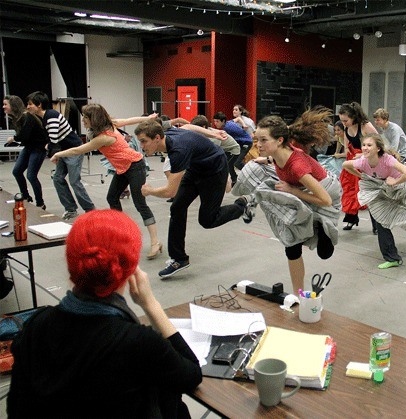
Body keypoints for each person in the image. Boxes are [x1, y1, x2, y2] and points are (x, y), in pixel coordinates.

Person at [7, 209, 202, 418]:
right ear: (131, 268)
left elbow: (16, 407)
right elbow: (191, 374)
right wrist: (150, 303)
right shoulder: (139, 342)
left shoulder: (36, 326)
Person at [232, 107, 340, 293]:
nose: (258, 144)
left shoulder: (297, 166)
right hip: (300, 185)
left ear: (279, 140)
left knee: (324, 253)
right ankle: (298, 294)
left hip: (326, 191)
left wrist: (292, 190)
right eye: (257, 139)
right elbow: (280, 138)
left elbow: (326, 200)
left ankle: (321, 226)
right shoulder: (280, 145)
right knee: (291, 246)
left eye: (263, 140)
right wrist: (266, 161)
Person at [135, 120, 252, 278]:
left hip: (214, 171)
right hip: (196, 169)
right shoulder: (169, 134)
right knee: (177, 207)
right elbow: (189, 127)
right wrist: (213, 133)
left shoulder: (177, 151)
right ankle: (179, 259)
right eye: (140, 141)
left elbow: (170, 191)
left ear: (157, 138)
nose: (141, 146)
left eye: (144, 141)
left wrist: (149, 191)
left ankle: (242, 206)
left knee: (207, 220)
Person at [51, 104, 162, 260]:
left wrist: (58, 154)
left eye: (86, 117)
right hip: (122, 168)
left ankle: (155, 242)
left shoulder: (105, 136)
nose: (83, 120)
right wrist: (147, 118)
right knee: (112, 198)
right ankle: (122, 234)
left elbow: (79, 150)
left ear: (94, 119)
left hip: (135, 166)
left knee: (139, 203)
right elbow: (129, 120)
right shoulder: (109, 124)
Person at [342, 133, 406, 269]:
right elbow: (345, 164)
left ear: (378, 148)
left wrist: (395, 181)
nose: (365, 148)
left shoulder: (387, 159)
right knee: (381, 220)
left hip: (403, 187)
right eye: (364, 145)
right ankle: (392, 258)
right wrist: (362, 176)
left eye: (369, 145)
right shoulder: (363, 161)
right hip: (384, 188)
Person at [25, 91, 95, 220]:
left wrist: (52, 153)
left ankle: (90, 209)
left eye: (30, 104)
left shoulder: (51, 115)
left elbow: (53, 140)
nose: (28, 107)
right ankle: (71, 209)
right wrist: (53, 150)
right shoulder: (45, 117)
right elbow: (52, 141)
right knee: (57, 178)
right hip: (64, 151)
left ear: (39, 105)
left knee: (74, 181)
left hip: (74, 150)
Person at [3, 95, 48, 209]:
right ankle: (26, 196)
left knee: (31, 175)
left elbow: (24, 135)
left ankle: (40, 203)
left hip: (38, 148)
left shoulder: (27, 117)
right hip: (29, 147)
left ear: (13, 106)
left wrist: (13, 138)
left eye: (5, 104)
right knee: (17, 171)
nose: (3, 107)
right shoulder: (17, 118)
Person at [338, 102, 378, 230]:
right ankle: (351, 219)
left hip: (367, 160)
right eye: (342, 121)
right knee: (349, 190)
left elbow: (378, 145)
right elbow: (347, 145)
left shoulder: (366, 126)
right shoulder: (346, 128)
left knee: (367, 191)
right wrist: (346, 151)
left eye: (345, 120)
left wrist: (362, 155)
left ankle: (376, 224)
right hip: (353, 162)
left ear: (354, 116)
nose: (343, 123)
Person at [212, 111, 249, 184]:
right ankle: (235, 179)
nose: (215, 123)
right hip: (238, 144)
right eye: (214, 121)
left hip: (246, 143)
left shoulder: (227, 128)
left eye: (217, 121)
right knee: (229, 163)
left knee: (235, 163)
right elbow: (238, 119)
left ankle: (248, 175)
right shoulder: (228, 123)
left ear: (223, 121)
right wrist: (243, 125)